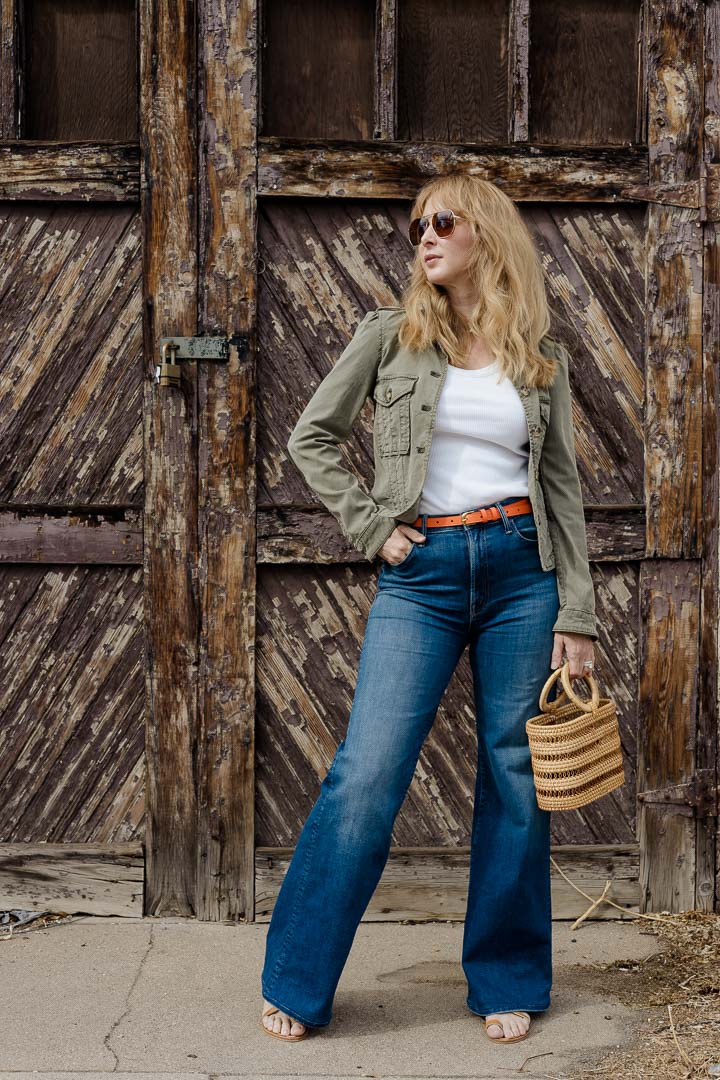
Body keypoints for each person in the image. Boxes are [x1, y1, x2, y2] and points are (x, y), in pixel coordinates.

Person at [260, 174, 597, 1045]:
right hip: (425, 573)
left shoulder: (538, 356)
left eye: (442, 221)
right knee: (367, 772)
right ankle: (297, 981)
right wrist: (376, 529)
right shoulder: (390, 336)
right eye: (418, 227)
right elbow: (312, 437)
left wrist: (579, 615)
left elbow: (560, 488)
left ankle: (507, 979)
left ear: (484, 231)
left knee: (513, 776)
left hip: (525, 570)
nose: (426, 237)